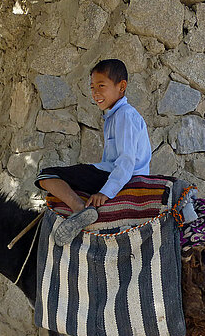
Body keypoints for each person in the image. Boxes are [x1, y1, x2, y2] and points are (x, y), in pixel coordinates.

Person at [36, 58, 152, 245]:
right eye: (92, 88)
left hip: (125, 176)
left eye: (101, 85)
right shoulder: (113, 116)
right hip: (111, 172)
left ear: (121, 87)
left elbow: (126, 161)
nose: (95, 93)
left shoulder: (125, 115)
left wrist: (106, 192)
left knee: (46, 175)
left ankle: (80, 211)